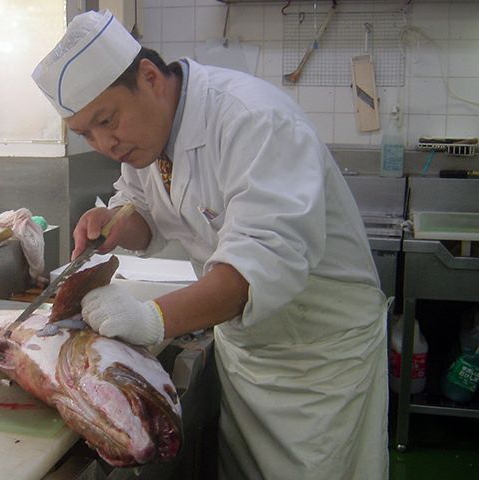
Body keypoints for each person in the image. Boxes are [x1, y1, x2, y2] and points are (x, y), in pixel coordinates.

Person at [32, 9, 389, 480]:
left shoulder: (255, 121)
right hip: (247, 351)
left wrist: (150, 318)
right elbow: (144, 208)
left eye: (107, 120)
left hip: (320, 358)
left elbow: (255, 270)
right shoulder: (144, 138)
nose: (105, 144)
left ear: (149, 77)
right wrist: (115, 222)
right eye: (85, 134)